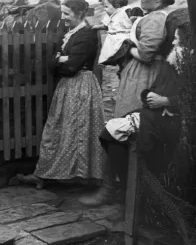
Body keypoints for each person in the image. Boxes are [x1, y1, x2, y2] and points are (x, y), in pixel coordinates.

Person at [79, 21, 190, 207]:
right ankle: (125, 187)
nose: (173, 44)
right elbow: (154, 88)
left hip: (175, 121)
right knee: (110, 132)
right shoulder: (171, 63)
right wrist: (150, 96)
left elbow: (190, 99)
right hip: (156, 114)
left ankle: (127, 190)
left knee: (117, 134)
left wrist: (167, 101)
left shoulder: (189, 66)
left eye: (178, 40)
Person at [17, 0, 105, 189]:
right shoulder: (71, 33)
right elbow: (55, 61)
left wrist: (60, 61)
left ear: (80, 14)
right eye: (62, 13)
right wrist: (59, 60)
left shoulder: (87, 35)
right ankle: (47, 174)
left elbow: (72, 66)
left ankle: (81, 176)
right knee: (58, 129)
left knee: (78, 129)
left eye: (67, 13)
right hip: (68, 86)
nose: (63, 17)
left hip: (81, 85)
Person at [114, 0, 176, 118]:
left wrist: (126, 46)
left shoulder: (155, 18)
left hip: (146, 74)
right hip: (145, 71)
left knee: (133, 114)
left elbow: (145, 55)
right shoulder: (154, 16)